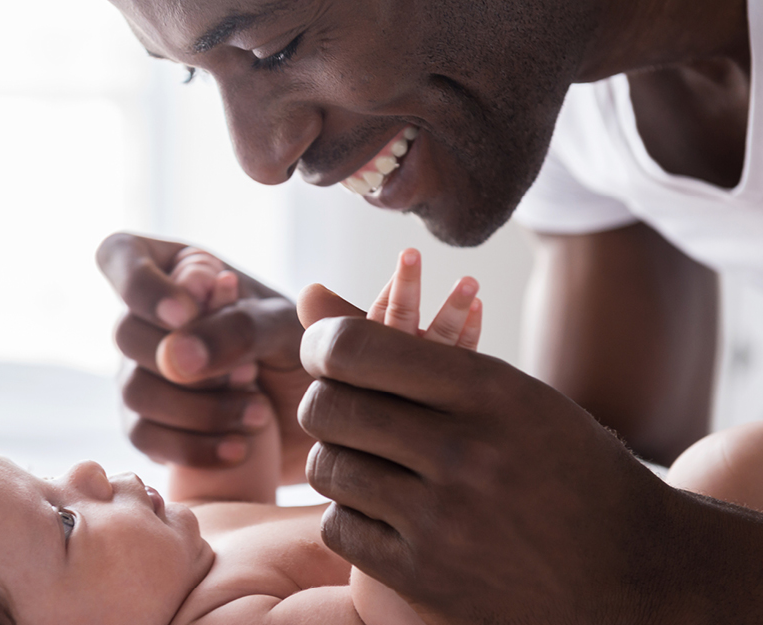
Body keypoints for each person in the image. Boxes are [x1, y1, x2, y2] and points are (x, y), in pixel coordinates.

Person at [96, 0, 763, 620]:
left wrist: (663, 559)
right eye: (191, 75)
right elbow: (617, 476)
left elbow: (646, 534)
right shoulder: (550, 85)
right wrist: (385, 428)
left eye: (275, 46)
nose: (261, 159)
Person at [0, 251, 480, 625]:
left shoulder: (178, 574)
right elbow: (385, 612)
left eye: (44, 476)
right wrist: (388, 436)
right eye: (63, 520)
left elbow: (231, 495)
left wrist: (221, 393)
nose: (87, 470)